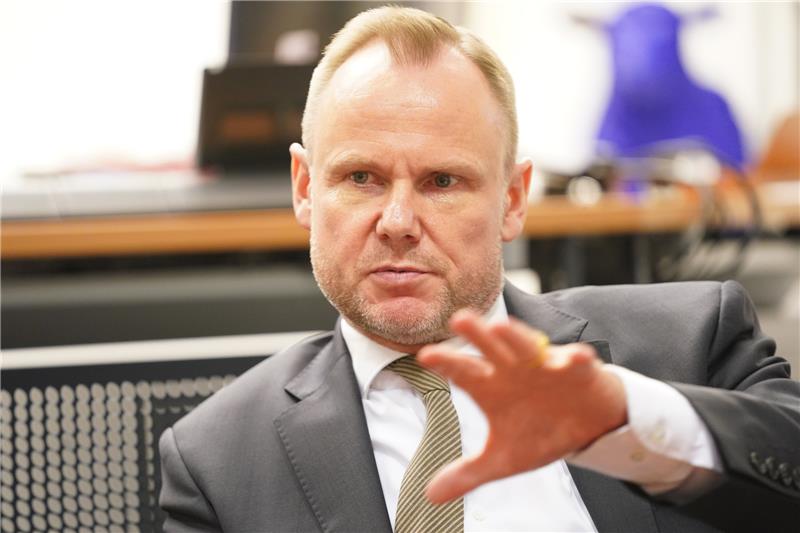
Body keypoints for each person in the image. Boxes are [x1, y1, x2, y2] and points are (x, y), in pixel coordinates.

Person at [159, 6, 800, 532]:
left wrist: (628, 420)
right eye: (360, 178)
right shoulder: (216, 460)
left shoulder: (689, 340)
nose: (398, 221)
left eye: (442, 181)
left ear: (513, 199)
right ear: (304, 188)